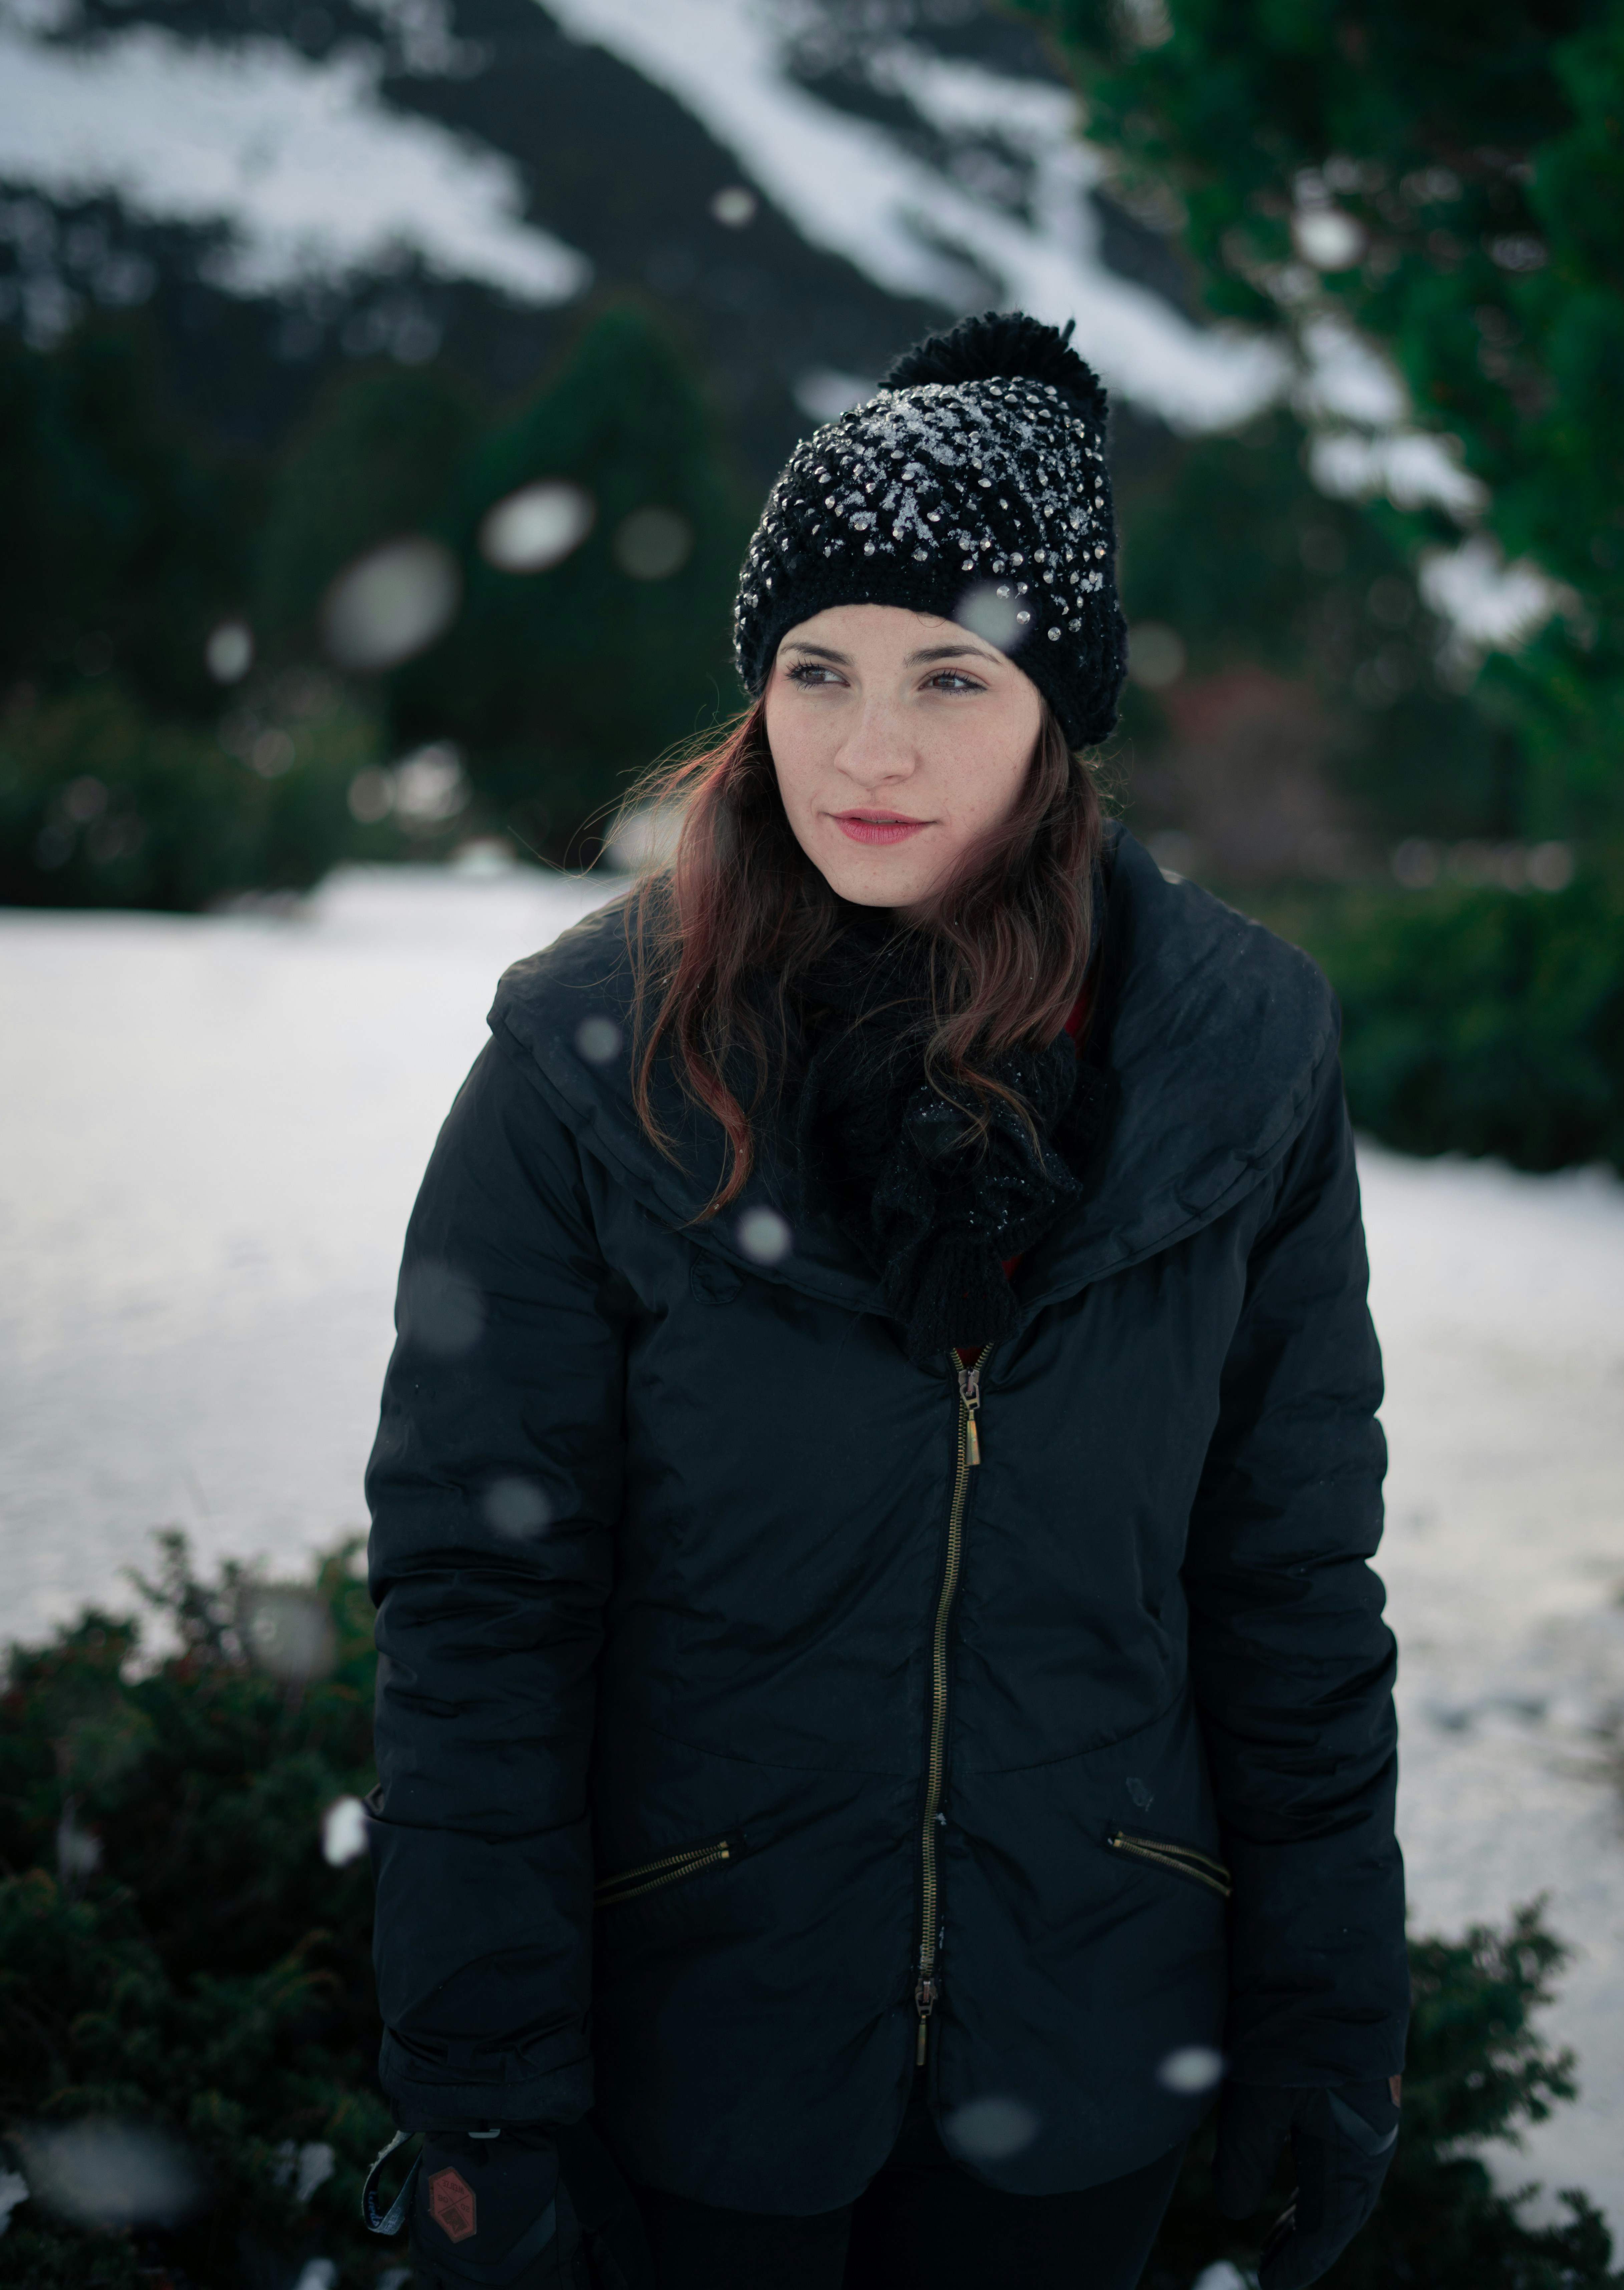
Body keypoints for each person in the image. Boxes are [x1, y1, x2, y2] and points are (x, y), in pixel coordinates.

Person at [362, 314, 1408, 2290]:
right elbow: (481, 1598)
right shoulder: (589, 1063)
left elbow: (1286, 1580)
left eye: (951, 674)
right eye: (814, 670)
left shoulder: (1236, 1063)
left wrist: (1327, 2020)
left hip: (1087, 2048)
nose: (866, 745)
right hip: (694, 2047)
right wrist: (482, 2085)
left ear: (1057, 712)